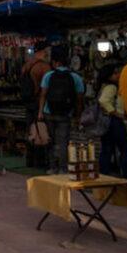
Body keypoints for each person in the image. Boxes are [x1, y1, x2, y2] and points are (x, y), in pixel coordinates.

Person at [38, 46, 84, 174]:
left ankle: (52, 167)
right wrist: (78, 116)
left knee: (50, 140)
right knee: (63, 142)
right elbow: (79, 99)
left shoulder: (48, 75)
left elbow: (43, 94)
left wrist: (40, 112)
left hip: (49, 112)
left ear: (54, 62)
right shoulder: (76, 77)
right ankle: (63, 168)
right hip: (65, 114)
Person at [97, 64, 127, 179]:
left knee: (107, 148)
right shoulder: (112, 87)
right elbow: (103, 101)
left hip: (107, 122)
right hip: (114, 121)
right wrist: (115, 113)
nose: (118, 75)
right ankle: (126, 174)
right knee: (125, 148)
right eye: (115, 73)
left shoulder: (103, 86)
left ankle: (104, 174)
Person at [21, 41, 53, 124]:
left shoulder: (26, 65)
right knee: (41, 132)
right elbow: (47, 87)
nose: (47, 53)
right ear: (43, 50)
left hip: (28, 101)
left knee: (31, 131)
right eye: (47, 50)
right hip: (39, 103)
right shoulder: (44, 67)